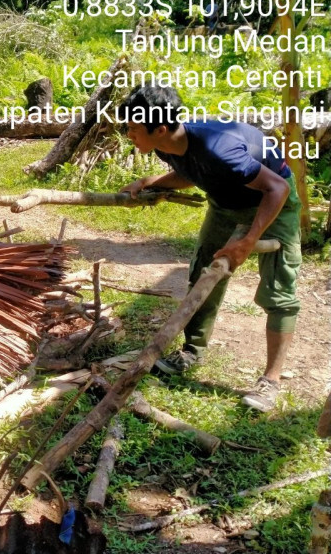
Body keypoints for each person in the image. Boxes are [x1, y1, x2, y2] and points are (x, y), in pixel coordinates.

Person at [119, 85, 301, 412]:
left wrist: (248, 241)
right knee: (203, 273)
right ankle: (191, 351)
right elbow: (191, 172)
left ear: (160, 129)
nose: (128, 134)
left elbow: (277, 188)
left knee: (278, 292)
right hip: (225, 204)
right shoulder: (167, 146)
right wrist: (150, 182)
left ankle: (271, 381)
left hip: (274, 202)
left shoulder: (219, 147)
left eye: (133, 128)